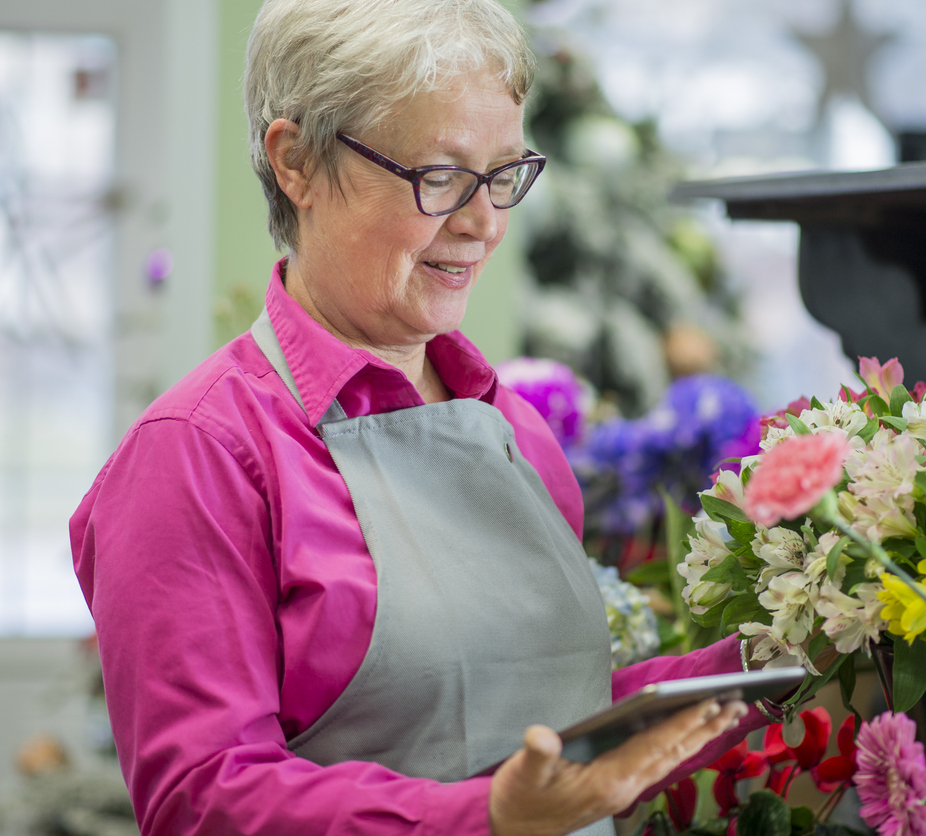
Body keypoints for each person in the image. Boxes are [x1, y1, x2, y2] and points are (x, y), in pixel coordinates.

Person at [69, 1, 778, 834]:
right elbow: (205, 800)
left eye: (505, 172)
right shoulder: (200, 454)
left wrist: (764, 663)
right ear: (297, 161)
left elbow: (550, 724)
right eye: (439, 175)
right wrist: (489, 816)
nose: (484, 223)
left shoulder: (516, 429)